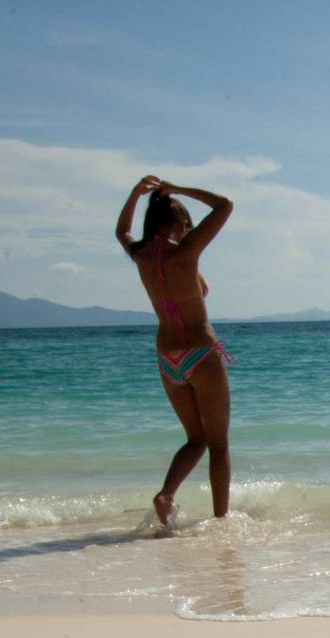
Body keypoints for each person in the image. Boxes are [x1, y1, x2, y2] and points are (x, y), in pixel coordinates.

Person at [114, 176, 235, 525]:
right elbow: (225, 204)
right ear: (182, 223)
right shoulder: (186, 251)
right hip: (200, 351)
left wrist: (136, 193)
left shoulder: (140, 256)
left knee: (194, 439)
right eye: (188, 224)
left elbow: (122, 232)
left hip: (168, 358)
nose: (190, 230)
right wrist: (179, 190)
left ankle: (166, 494)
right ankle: (221, 520)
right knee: (218, 445)